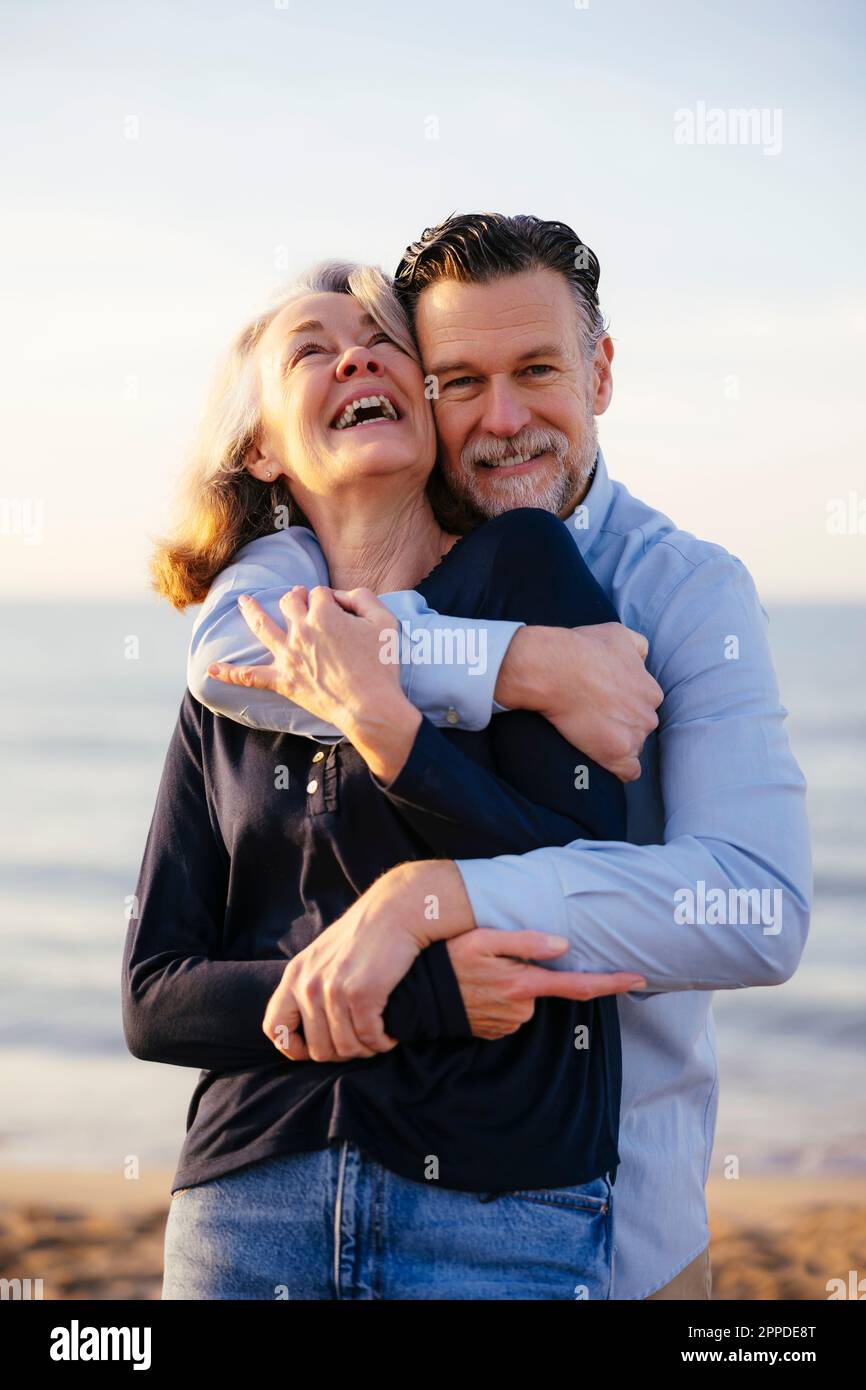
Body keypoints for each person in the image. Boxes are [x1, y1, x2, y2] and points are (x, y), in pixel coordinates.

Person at [192, 213, 812, 1301]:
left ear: (600, 371)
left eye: (535, 370)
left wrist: (431, 900)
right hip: (359, 1187)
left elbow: (752, 905)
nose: (503, 419)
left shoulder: (686, 592)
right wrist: (512, 661)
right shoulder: (363, 544)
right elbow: (230, 644)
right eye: (458, 380)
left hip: (626, 1213)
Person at [123, 260, 651, 1301]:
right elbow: (155, 998)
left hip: (498, 1209)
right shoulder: (235, 665)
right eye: (311, 349)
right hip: (248, 1200)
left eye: (380, 340)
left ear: (420, 395)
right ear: (263, 447)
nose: (354, 354)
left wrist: (388, 727)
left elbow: (589, 881)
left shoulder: (522, 568)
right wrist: (419, 993)